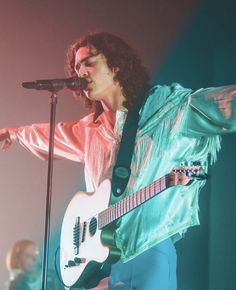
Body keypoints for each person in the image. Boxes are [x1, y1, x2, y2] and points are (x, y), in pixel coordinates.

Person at [0, 32, 236, 290]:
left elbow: (223, 104)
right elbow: (51, 134)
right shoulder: (91, 130)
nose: (81, 72)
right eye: (76, 67)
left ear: (116, 65)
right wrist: (13, 133)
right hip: (102, 262)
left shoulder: (168, 109)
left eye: (89, 62)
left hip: (148, 248)